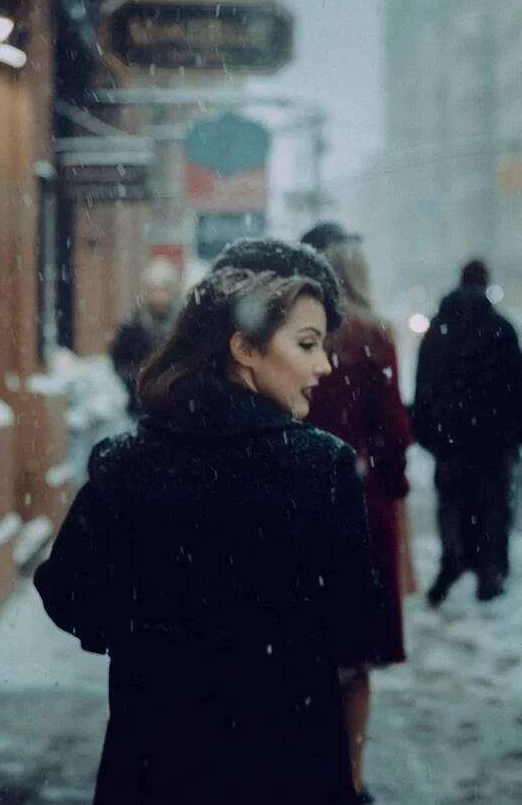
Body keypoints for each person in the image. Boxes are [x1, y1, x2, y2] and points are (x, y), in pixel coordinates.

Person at [35, 254, 386, 805]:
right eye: (307, 344)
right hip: (288, 763)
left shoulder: (127, 461)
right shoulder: (322, 468)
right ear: (244, 348)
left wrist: (149, 641)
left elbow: (67, 591)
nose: (325, 367)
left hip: (155, 761)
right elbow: (357, 620)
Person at [302, 234, 414, 804]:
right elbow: (393, 431)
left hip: (296, 507)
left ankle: (303, 770)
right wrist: (393, 486)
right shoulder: (373, 339)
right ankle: (350, 777)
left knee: (301, 650)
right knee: (354, 658)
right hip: (360, 505)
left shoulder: (300, 341)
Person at [412, 259, 522, 606]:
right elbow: (517, 388)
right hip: (492, 441)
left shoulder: (439, 329)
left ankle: (452, 560)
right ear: (485, 284)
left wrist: (425, 431)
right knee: (492, 507)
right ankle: (489, 573)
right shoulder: (500, 328)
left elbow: (423, 384)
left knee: (451, 504)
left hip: (448, 439)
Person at [110, 256, 181, 415]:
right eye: (155, 290)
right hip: (140, 406)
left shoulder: (182, 325)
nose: (159, 297)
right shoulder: (132, 326)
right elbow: (119, 361)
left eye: (164, 290)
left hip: (175, 406)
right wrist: (140, 378)